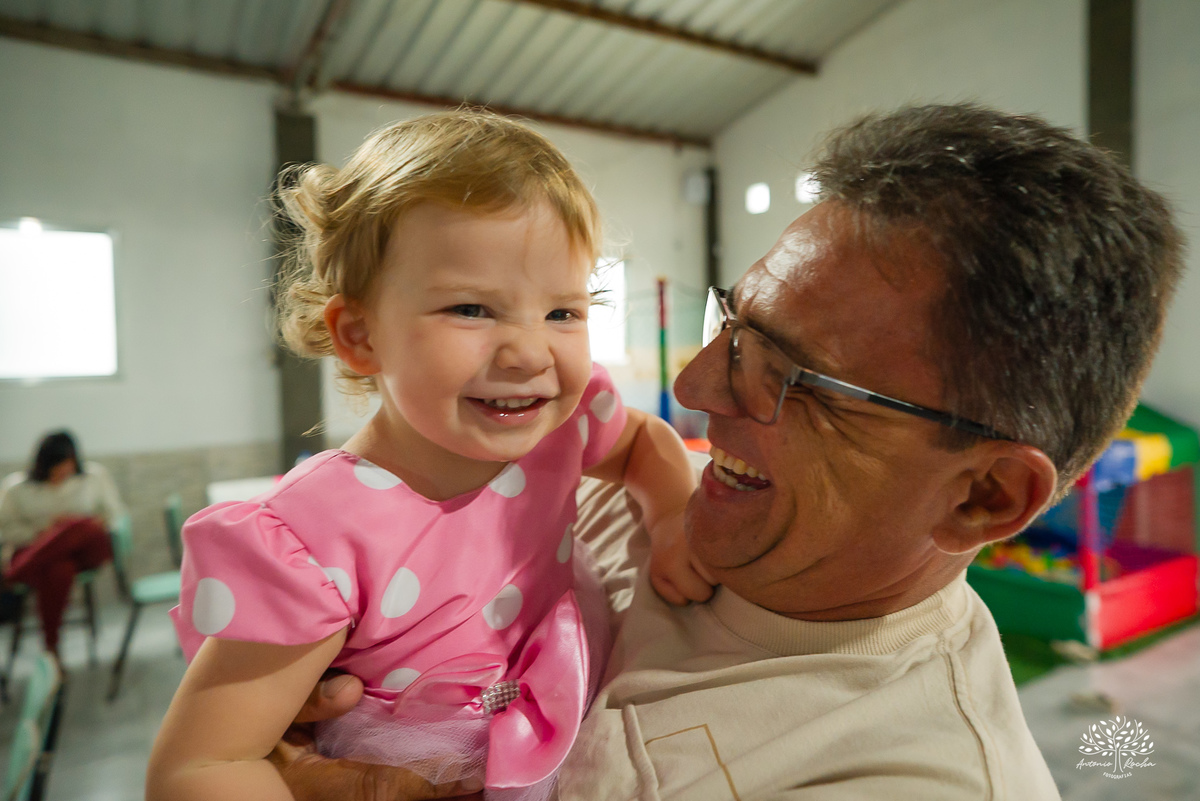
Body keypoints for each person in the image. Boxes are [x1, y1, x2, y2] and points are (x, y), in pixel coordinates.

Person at [274, 103, 1185, 800]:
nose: (697, 389)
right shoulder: (588, 496)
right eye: (737, 325)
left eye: (791, 375)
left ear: (984, 495)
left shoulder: (905, 774)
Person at [146, 110, 711, 801]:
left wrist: (673, 517)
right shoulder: (312, 542)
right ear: (360, 335)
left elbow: (642, 443)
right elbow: (198, 768)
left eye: (563, 311)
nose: (531, 352)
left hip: (566, 727)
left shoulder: (561, 425)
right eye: (472, 308)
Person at [0, 430, 119, 660]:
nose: (64, 471)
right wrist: (44, 532)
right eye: (57, 466)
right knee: (59, 569)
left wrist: (70, 527)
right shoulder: (16, 488)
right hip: (42, 554)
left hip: (87, 550)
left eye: (68, 464)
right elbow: (6, 528)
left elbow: (114, 514)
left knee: (77, 526)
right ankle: (52, 651)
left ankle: (12, 575)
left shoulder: (94, 477)